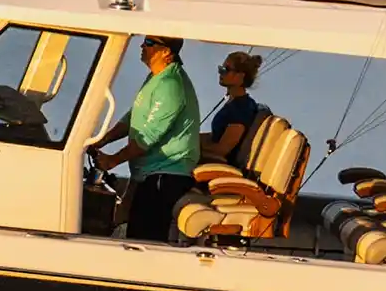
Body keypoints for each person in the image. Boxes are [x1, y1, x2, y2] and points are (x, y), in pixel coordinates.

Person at [89, 35, 203, 240]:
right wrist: (103, 139)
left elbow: (148, 137)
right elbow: (134, 116)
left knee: (144, 242)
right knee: (130, 232)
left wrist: (112, 160)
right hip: (147, 172)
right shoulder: (156, 77)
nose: (142, 46)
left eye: (150, 43)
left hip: (165, 176)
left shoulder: (171, 85)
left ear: (166, 52)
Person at [202, 51, 270, 162]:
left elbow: (223, 149)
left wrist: (191, 149)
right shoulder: (234, 104)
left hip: (219, 165)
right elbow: (216, 136)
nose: (221, 73)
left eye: (225, 70)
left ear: (240, 76)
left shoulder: (242, 108)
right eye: (221, 69)